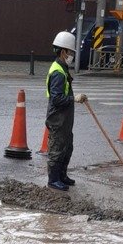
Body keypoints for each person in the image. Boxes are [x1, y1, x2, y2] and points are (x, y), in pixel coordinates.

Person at [45, 31, 88, 191]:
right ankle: (53, 179)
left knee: (67, 147)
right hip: (58, 119)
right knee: (57, 149)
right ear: (63, 51)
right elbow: (56, 99)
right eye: (71, 52)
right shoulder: (57, 72)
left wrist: (75, 98)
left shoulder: (62, 68)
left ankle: (62, 175)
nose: (72, 55)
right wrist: (73, 98)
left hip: (65, 119)